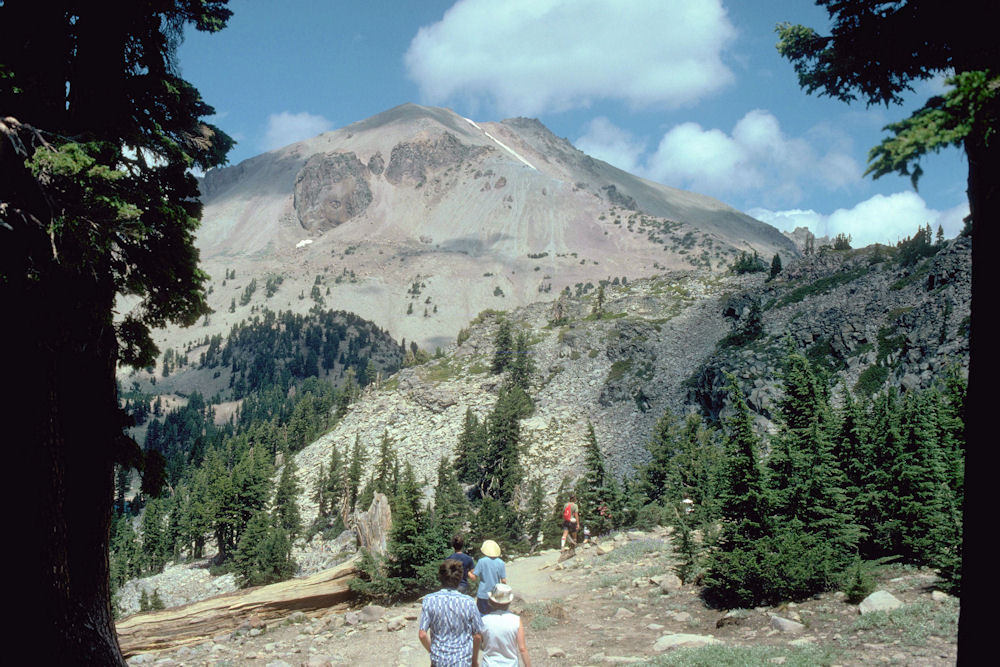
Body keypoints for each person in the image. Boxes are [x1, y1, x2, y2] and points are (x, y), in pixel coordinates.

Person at [419, 559, 485, 667]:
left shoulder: (429, 600)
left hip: (439, 661)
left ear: (440, 576)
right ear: (459, 578)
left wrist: (432, 652)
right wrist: (474, 660)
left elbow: (422, 634)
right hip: (462, 661)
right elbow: (477, 636)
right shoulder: (469, 602)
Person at [480, 583, 532, 667]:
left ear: (491, 601)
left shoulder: (484, 621)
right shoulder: (516, 620)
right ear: (508, 602)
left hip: (489, 664)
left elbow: (480, 644)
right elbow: (522, 649)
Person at [472, 540, 507, 615]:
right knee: (494, 615)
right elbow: (504, 580)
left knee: (481, 616)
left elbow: (474, 577)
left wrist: (467, 572)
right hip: (495, 594)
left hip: (483, 593)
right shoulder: (501, 562)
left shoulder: (481, 561)